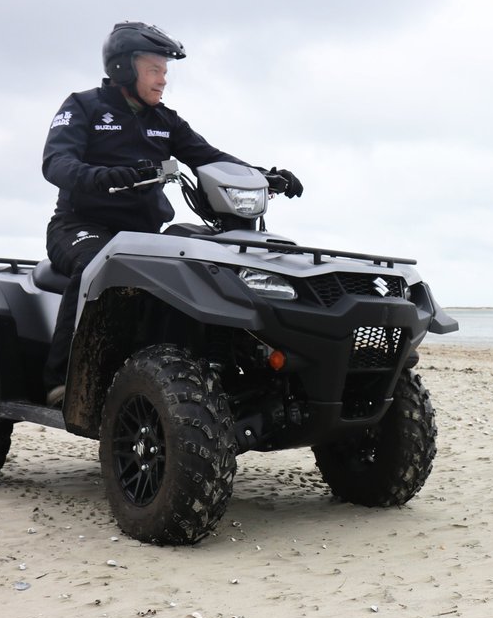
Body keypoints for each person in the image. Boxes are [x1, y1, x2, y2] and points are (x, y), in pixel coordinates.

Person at [40, 21, 303, 406]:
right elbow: (56, 162)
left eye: (165, 72)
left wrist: (264, 175)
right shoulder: (83, 106)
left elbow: (209, 156)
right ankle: (62, 379)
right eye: (154, 70)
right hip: (80, 227)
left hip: (143, 236)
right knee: (94, 268)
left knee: (191, 271)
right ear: (123, 69)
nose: (163, 80)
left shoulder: (165, 120)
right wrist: (101, 176)